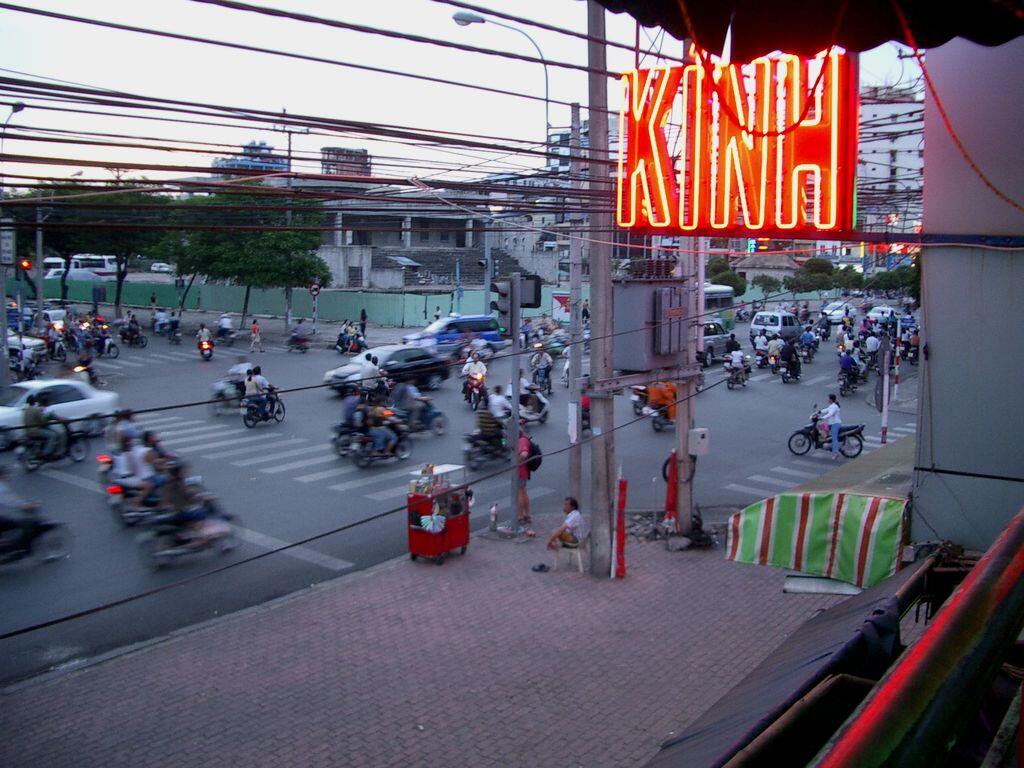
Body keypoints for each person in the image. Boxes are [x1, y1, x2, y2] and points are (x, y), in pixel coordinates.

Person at [818, 394, 842, 459]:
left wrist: (822, 418)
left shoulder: (834, 407)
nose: (827, 399)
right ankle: (826, 442)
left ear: (831, 399)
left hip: (835, 424)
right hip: (832, 424)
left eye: (828, 398)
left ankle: (836, 453)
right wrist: (819, 412)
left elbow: (830, 414)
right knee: (821, 426)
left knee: (834, 439)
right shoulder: (832, 405)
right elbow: (826, 409)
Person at [517, 431, 532, 526]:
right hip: (523, 470)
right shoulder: (523, 438)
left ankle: (520, 516)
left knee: (520, 492)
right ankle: (527, 515)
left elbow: (524, 454)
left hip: (520, 471)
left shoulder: (522, 440)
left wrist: (516, 463)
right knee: (523, 491)